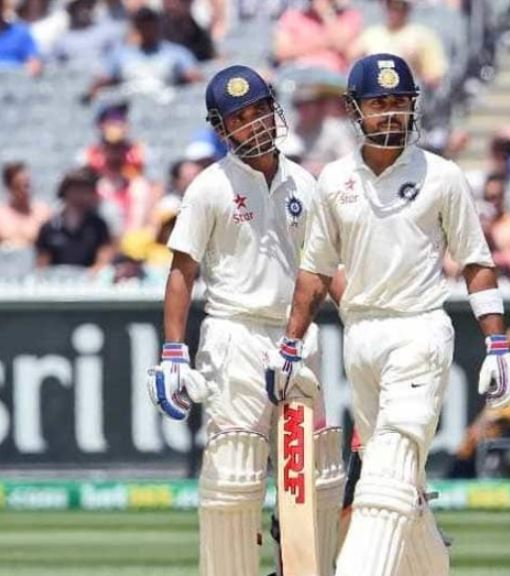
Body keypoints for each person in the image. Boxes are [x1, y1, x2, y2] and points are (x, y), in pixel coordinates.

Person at [268, 53, 510, 576]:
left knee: (385, 471)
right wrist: (290, 345)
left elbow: (475, 262)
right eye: (379, 102)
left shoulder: (442, 176)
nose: (390, 112)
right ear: (355, 110)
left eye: (400, 102)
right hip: (361, 335)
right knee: (402, 481)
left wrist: (497, 343)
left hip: (419, 330)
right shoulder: (334, 179)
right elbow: (316, 271)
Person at [144, 64, 344, 576]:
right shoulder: (210, 187)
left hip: (296, 338)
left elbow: (326, 269)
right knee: (235, 477)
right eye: (240, 117)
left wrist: (364, 322)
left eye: (259, 110)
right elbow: (182, 272)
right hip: (235, 334)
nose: (253, 123)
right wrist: (173, 353)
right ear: (221, 128)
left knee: (314, 477)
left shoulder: (305, 183)